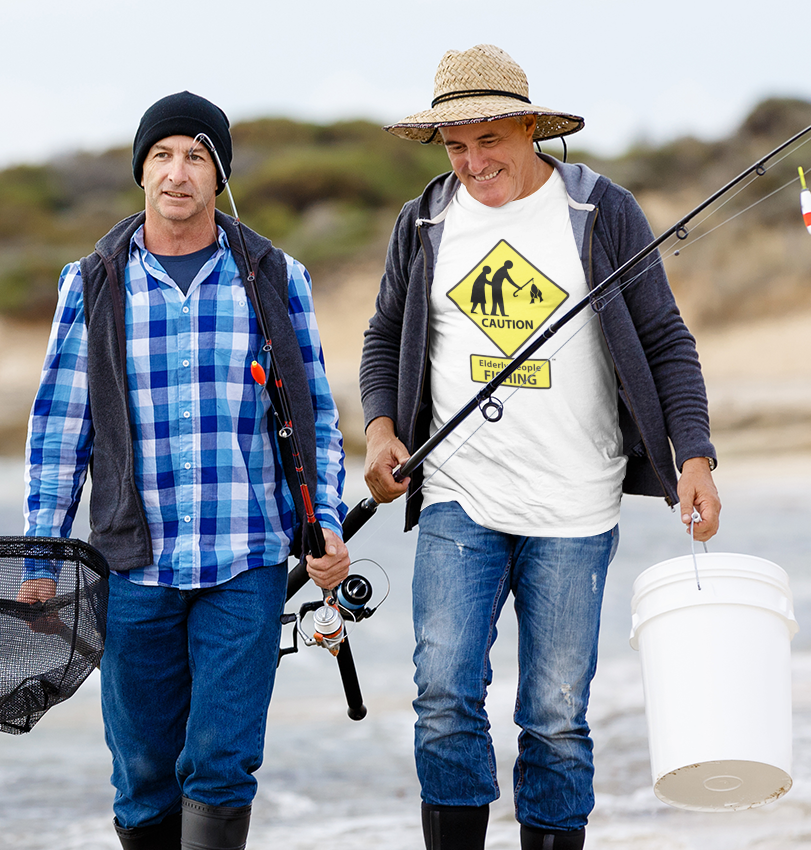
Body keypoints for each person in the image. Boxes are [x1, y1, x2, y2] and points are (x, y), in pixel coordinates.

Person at [359, 45, 721, 850]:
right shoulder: (423, 220)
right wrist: (382, 429)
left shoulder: (600, 211)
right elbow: (384, 336)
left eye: (490, 138)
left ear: (530, 126)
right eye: (456, 144)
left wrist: (692, 454)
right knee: (444, 696)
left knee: (555, 718)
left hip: (575, 505)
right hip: (459, 497)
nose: (473, 161)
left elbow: (666, 341)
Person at [18, 91, 350, 850]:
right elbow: (60, 426)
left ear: (219, 174)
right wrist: (43, 550)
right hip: (133, 568)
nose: (179, 172)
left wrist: (323, 521)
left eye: (197, 156)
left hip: (248, 560)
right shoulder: (93, 281)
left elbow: (318, 421)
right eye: (163, 155)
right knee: (141, 774)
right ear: (141, 171)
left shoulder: (275, 276)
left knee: (223, 765)